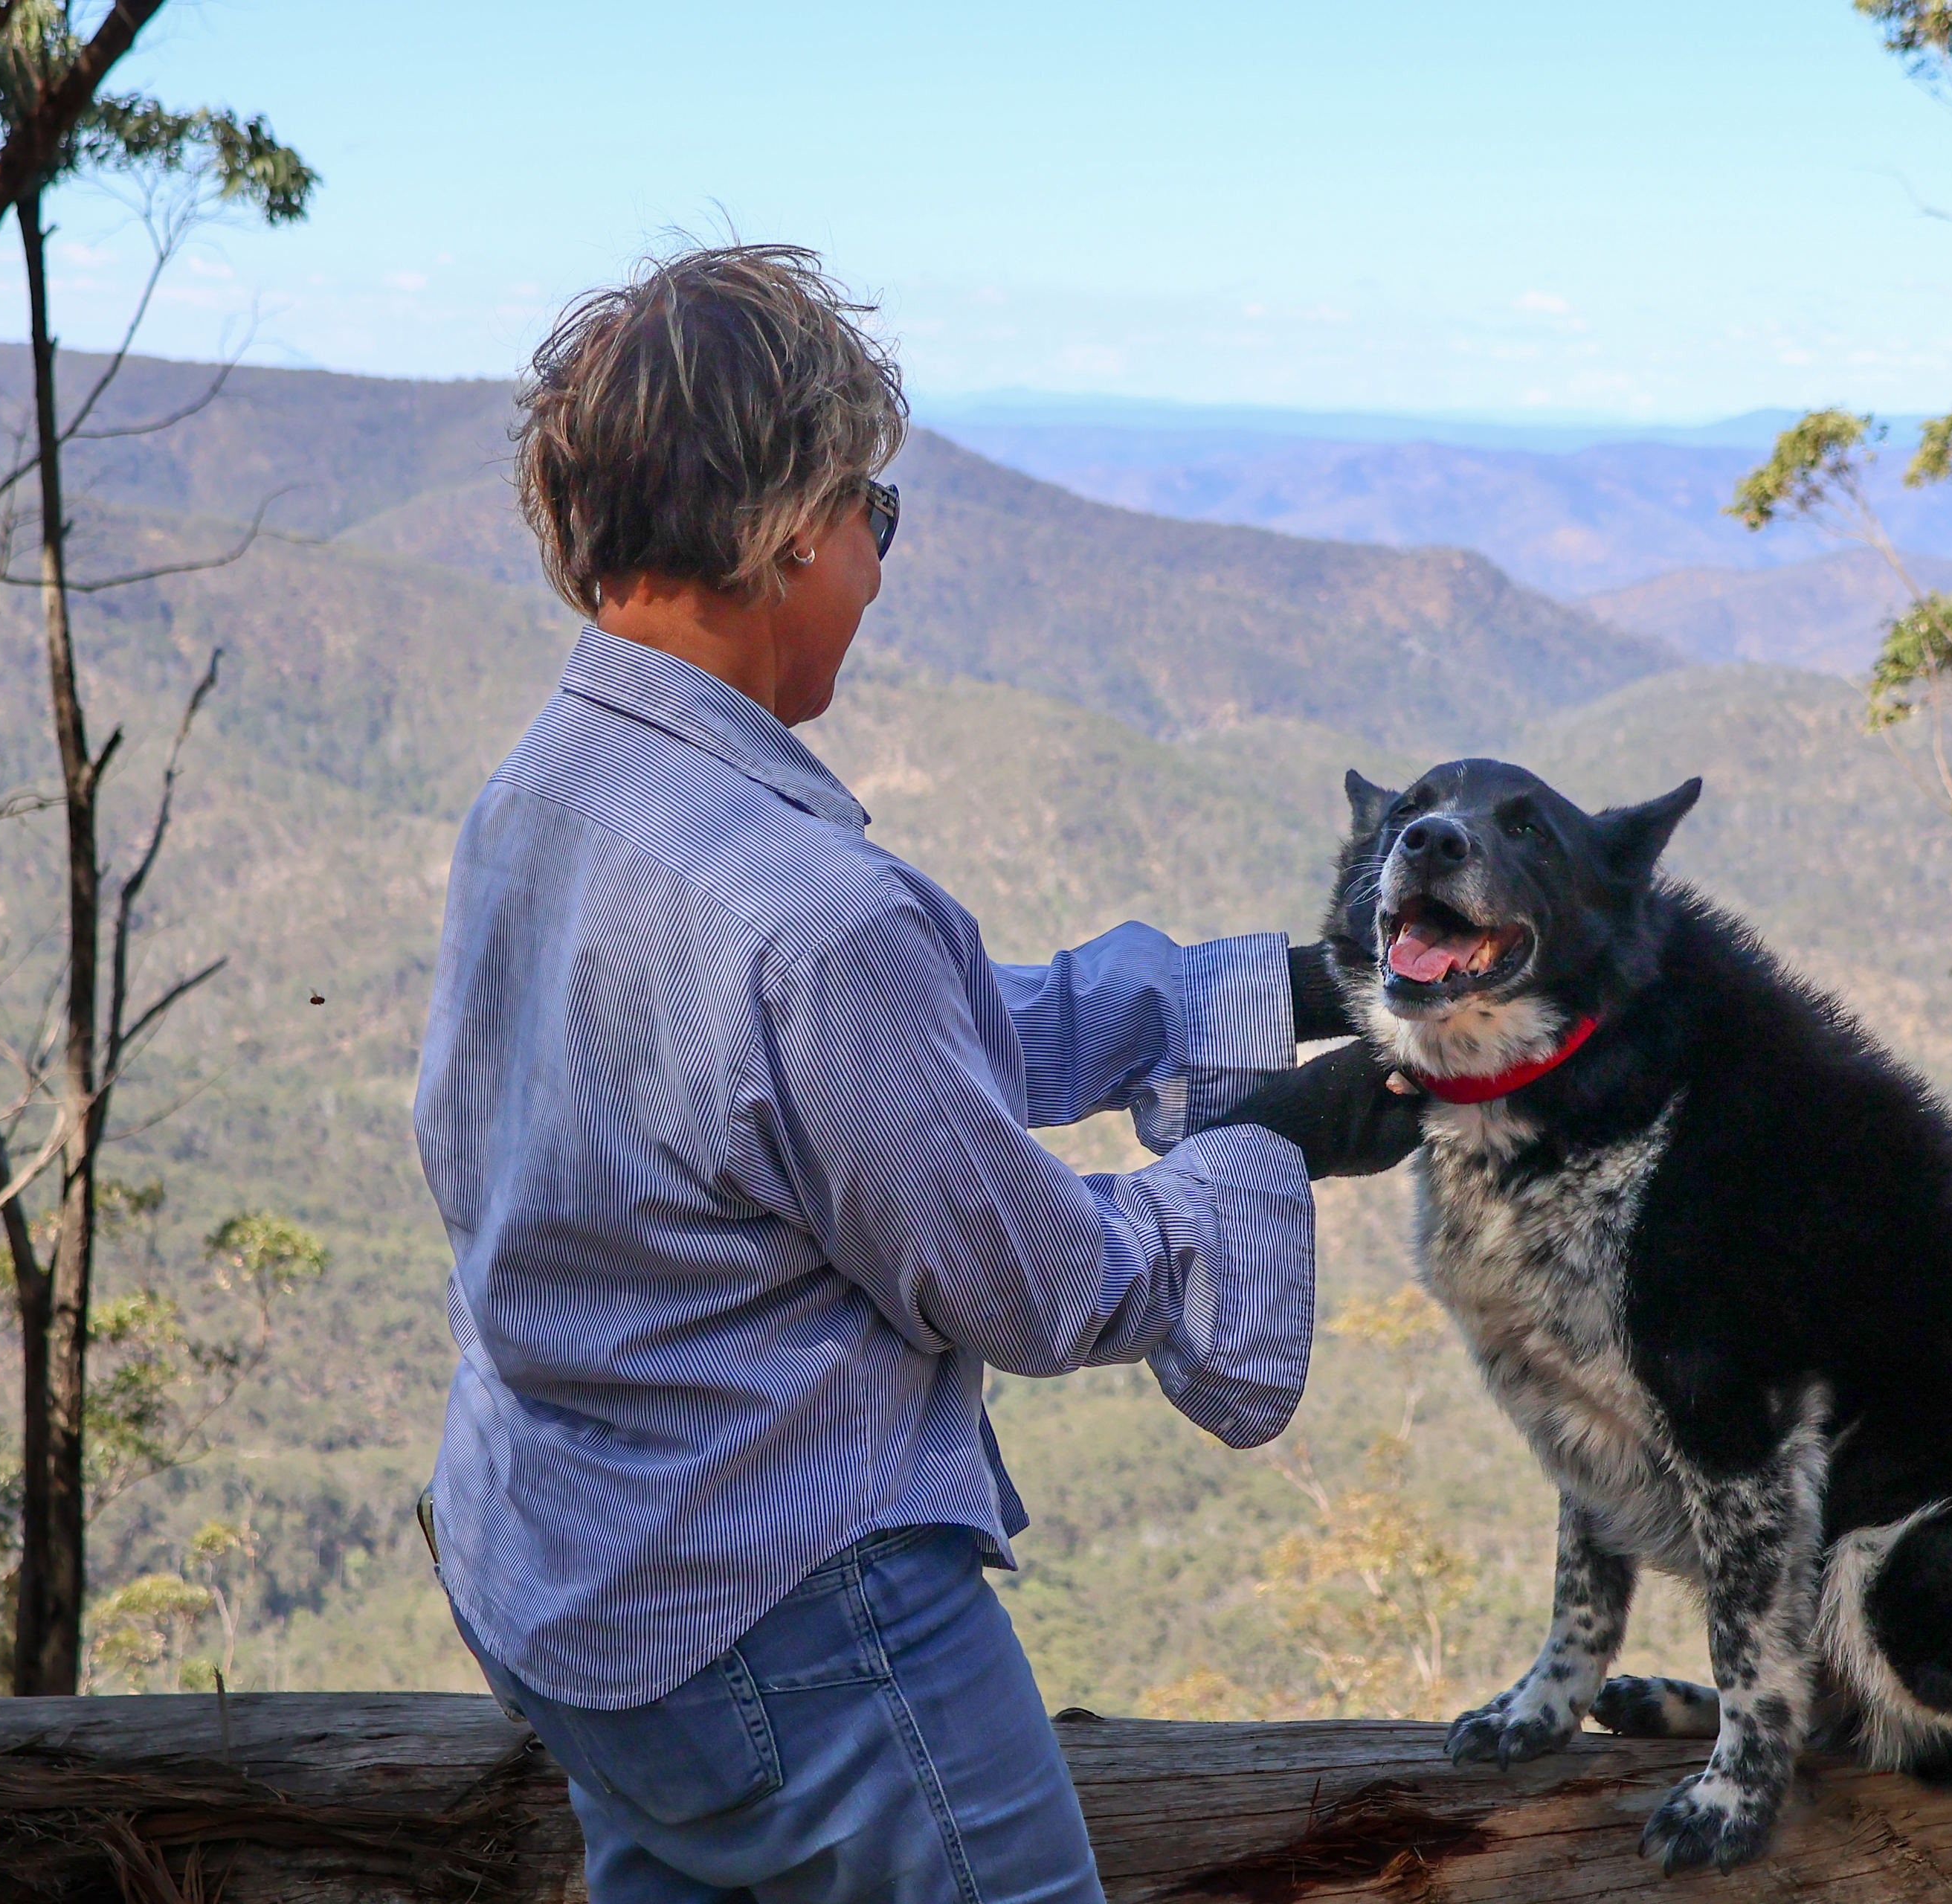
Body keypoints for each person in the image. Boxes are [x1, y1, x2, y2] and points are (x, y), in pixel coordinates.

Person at [414, 244, 1423, 1904]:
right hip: (798, 1624)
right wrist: (1274, 1149)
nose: (880, 564)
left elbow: (878, 1064)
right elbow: (1023, 1279)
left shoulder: (541, 794)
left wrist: (1280, 986)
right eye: (874, 512)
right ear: (793, 525)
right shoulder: (807, 911)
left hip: (568, 1582)